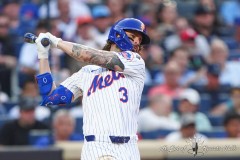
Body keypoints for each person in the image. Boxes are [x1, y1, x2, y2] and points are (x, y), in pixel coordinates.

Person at [34, 18, 150, 159]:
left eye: (139, 40)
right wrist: (43, 56)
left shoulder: (135, 62)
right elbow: (51, 97)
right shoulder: (87, 72)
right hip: (96, 147)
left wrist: (57, 42)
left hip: (128, 147)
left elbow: (87, 55)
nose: (137, 42)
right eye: (133, 37)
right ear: (117, 35)